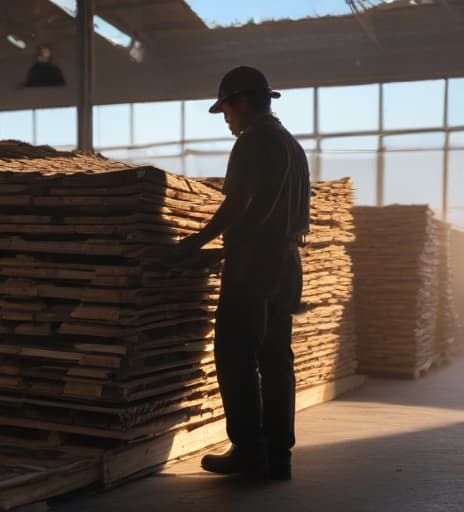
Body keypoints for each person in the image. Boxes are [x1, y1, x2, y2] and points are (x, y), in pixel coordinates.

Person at [173, 66, 310, 480]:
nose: (227, 121)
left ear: (243, 102)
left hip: (253, 264)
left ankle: (249, 450)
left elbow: (239, 204)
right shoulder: (292, 145)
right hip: (286, 263)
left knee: (235, 353)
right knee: (275, 357)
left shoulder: (254, 141)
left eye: (227, 111)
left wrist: (193, 243)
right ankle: (278, 454)